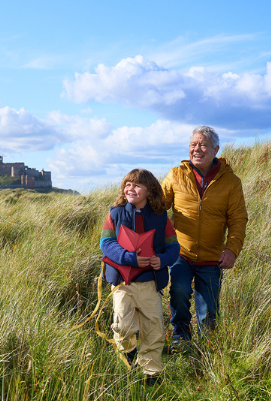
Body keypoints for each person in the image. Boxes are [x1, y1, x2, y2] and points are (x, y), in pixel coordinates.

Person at [162, 126, 248, 348]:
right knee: (179, 292)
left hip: (212, 257)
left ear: (215, 149)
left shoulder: (231, 182)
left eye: (202, 144)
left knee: (208, 311)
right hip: (181, 252)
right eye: (193, 144)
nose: (196, 149)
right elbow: (158, 207)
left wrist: (231, 250)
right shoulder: (175, 175)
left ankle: (207, 348)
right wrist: (129, 209)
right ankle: (181, 340)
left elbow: (238, 219)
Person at [100, 169, 180, 382]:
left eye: (136, 185)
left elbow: (173, 246)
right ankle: (130, 353)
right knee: (122, 327)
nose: (130, 189)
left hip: (150, 283)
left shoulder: (161, 217)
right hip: (122, 283)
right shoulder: (115, 213)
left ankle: (151, 374)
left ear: (149, 190)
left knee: (153, 330)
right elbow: (106, 243)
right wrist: (128, 258)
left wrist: (162, 260)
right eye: (127, 184)